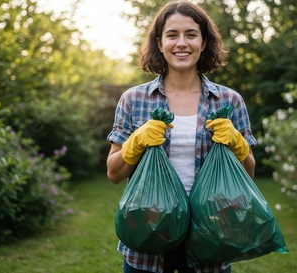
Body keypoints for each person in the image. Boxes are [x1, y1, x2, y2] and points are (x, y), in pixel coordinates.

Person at [106, 1, 257, 272]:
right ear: (159, 42)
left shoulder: (229, 100)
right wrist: (136, 142)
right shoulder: (134, 99)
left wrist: (238, 143)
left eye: (191, 34)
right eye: (172, 35)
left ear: (204, 41)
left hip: (211, 238)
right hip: (150, 239)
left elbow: (249, 173)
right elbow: (114, 173)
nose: (182, 43)